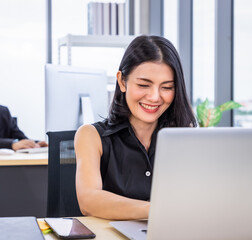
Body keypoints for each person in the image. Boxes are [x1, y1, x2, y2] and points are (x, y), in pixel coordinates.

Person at [74, 35, 197, 220]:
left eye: (167, 87)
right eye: (143, 85)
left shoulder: (183, 136)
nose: (155, 97)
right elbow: (89, 201)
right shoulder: (91, 136)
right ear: (122, 82)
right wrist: (158, 211)